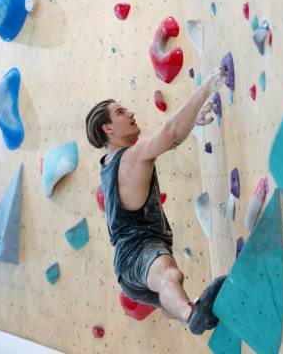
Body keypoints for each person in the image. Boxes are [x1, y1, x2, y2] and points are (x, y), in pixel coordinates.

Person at [85, 66, 228, 335]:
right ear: (108, 128)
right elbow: (170, 134)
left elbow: (166, 142)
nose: (130, 112)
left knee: (168, 293)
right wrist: (207, 87)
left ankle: (189, 309)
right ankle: (191, 314)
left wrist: (193, 119)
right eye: (120, 112)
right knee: (170, 276)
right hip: (138, 250)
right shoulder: (130, 156)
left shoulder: (110, 162)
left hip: (128, 271)